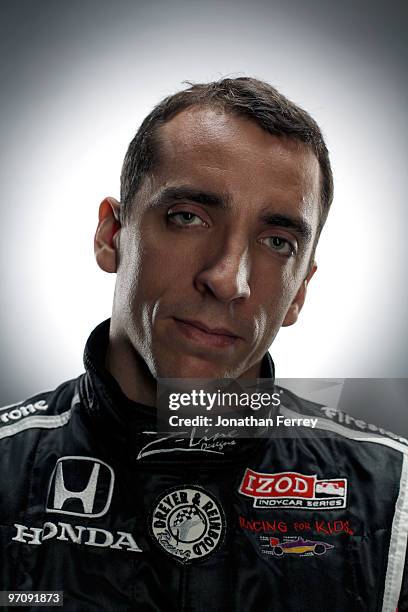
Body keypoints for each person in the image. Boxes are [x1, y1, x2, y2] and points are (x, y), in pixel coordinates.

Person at [0, 77, 406, 611]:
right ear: (111, 235)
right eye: (188, 217)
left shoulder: (393, 500)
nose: (227, 279)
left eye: (277, 242)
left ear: (299, 292)